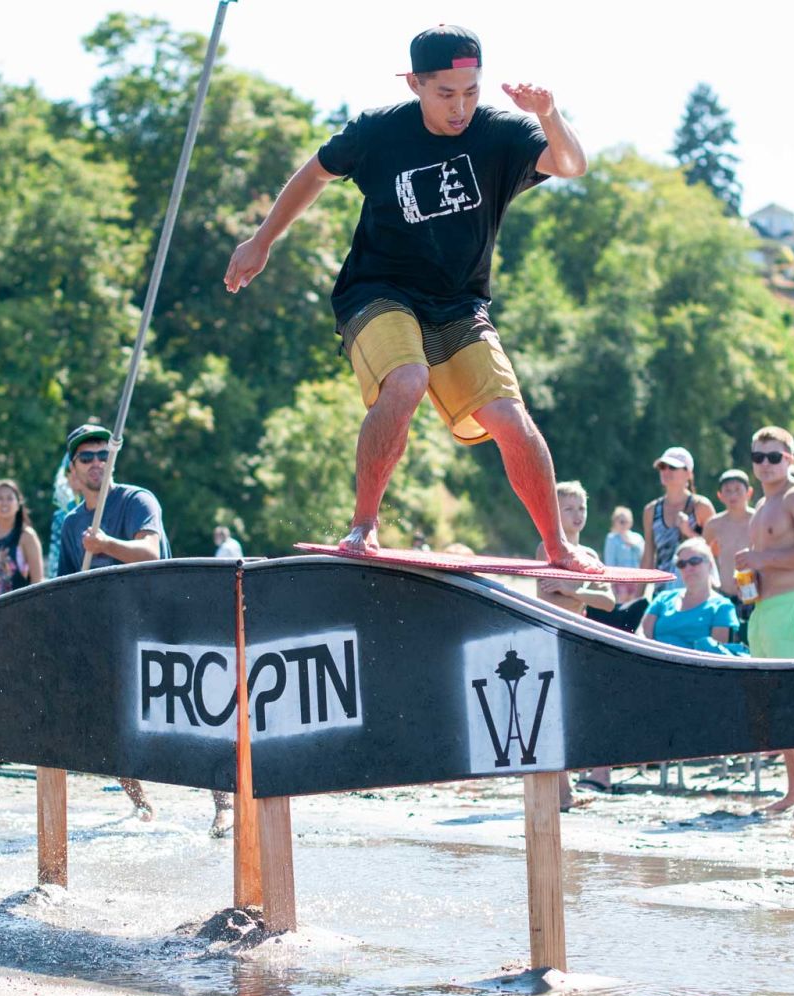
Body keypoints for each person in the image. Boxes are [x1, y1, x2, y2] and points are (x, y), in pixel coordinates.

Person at [223, 25, 600, 575]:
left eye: (470, 91)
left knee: (510, 419)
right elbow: (315, 173)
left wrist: (548, 113)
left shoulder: (500, 134)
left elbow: (571, 165)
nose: (461, 107)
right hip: (378, 292)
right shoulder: (379, 132)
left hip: (459, 304)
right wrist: (262, 240)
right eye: (446, 94)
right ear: (415, 84)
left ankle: (557, 547)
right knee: (407, 379)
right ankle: (364, 525)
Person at [51, 423, 233, 836]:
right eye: (87, 457)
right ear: (74, 470)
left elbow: (149, 552)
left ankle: (223, 806)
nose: (97, 462)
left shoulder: (136, 499)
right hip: (109, 634)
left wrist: (104, 545)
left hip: (161, 623)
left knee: (194, 718)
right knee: (111, 722)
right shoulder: (68, 524)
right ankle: (142, 804)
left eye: (104, 455)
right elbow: (66, 588)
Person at [735, 427, 794, 818]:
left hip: (791, 606)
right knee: (778, 708)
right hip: (762, 610)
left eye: (774, 457)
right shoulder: (763, 505)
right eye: (759, 457)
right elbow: (770, 556)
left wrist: (763, 560)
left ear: (789, 458)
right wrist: (752, 574)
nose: (765, 465)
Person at [535, 482, 622, 800]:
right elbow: (547, 589)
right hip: (551, 635)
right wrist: (576, 590)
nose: (577, 514)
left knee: (579, 708)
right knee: (555, 709)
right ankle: (562, 790)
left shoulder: (590, 555)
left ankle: (577, 784)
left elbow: (608, 600)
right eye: (568, 508)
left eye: (581, 508)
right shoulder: (547, 549)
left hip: (579, 635)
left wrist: (572, 590)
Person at [641, 538, 744, 655]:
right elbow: (643, 637)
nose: (688, 568)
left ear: (710, 565)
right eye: (682, 564)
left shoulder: (722, 607)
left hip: (694, 669)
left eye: (694, 561)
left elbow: (716, 657)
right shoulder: (663, 598)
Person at [641, 447, 715, 590]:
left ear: (688, 473)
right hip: (662, 595)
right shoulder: (651, 510)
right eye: (662, 467)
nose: (666, 471)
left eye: (672, 467)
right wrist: (637, 600)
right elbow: (648, 558)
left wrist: (689, 533)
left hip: (697, 593)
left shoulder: (701, 507)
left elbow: (716, 551)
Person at [0, 480, 43, 603]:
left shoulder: (26, 536)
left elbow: (37, 582)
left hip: (17, 613)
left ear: (18, 504)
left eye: (9, 498)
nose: (4, 503)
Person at [704, 470, 754, 601]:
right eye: (727, 490)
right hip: (723, 592)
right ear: (720, 495)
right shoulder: (714, 524)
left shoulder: (758, 520)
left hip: (753, 590)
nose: (733, 495)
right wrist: (711, 581)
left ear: (749, 493)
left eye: (738, 490)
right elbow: (702, 554)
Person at [603, 506, 645, 604]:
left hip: (636, 579)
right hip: (620, 579)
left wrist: (633, 545)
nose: (624, 524)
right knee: (621, 604)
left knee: (635, 605)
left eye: (626, 521)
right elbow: (609, 560)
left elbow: (643, 557)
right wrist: (611, 582)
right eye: (621, 521)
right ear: (615, 522)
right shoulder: (611, 538)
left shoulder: (637, 537)